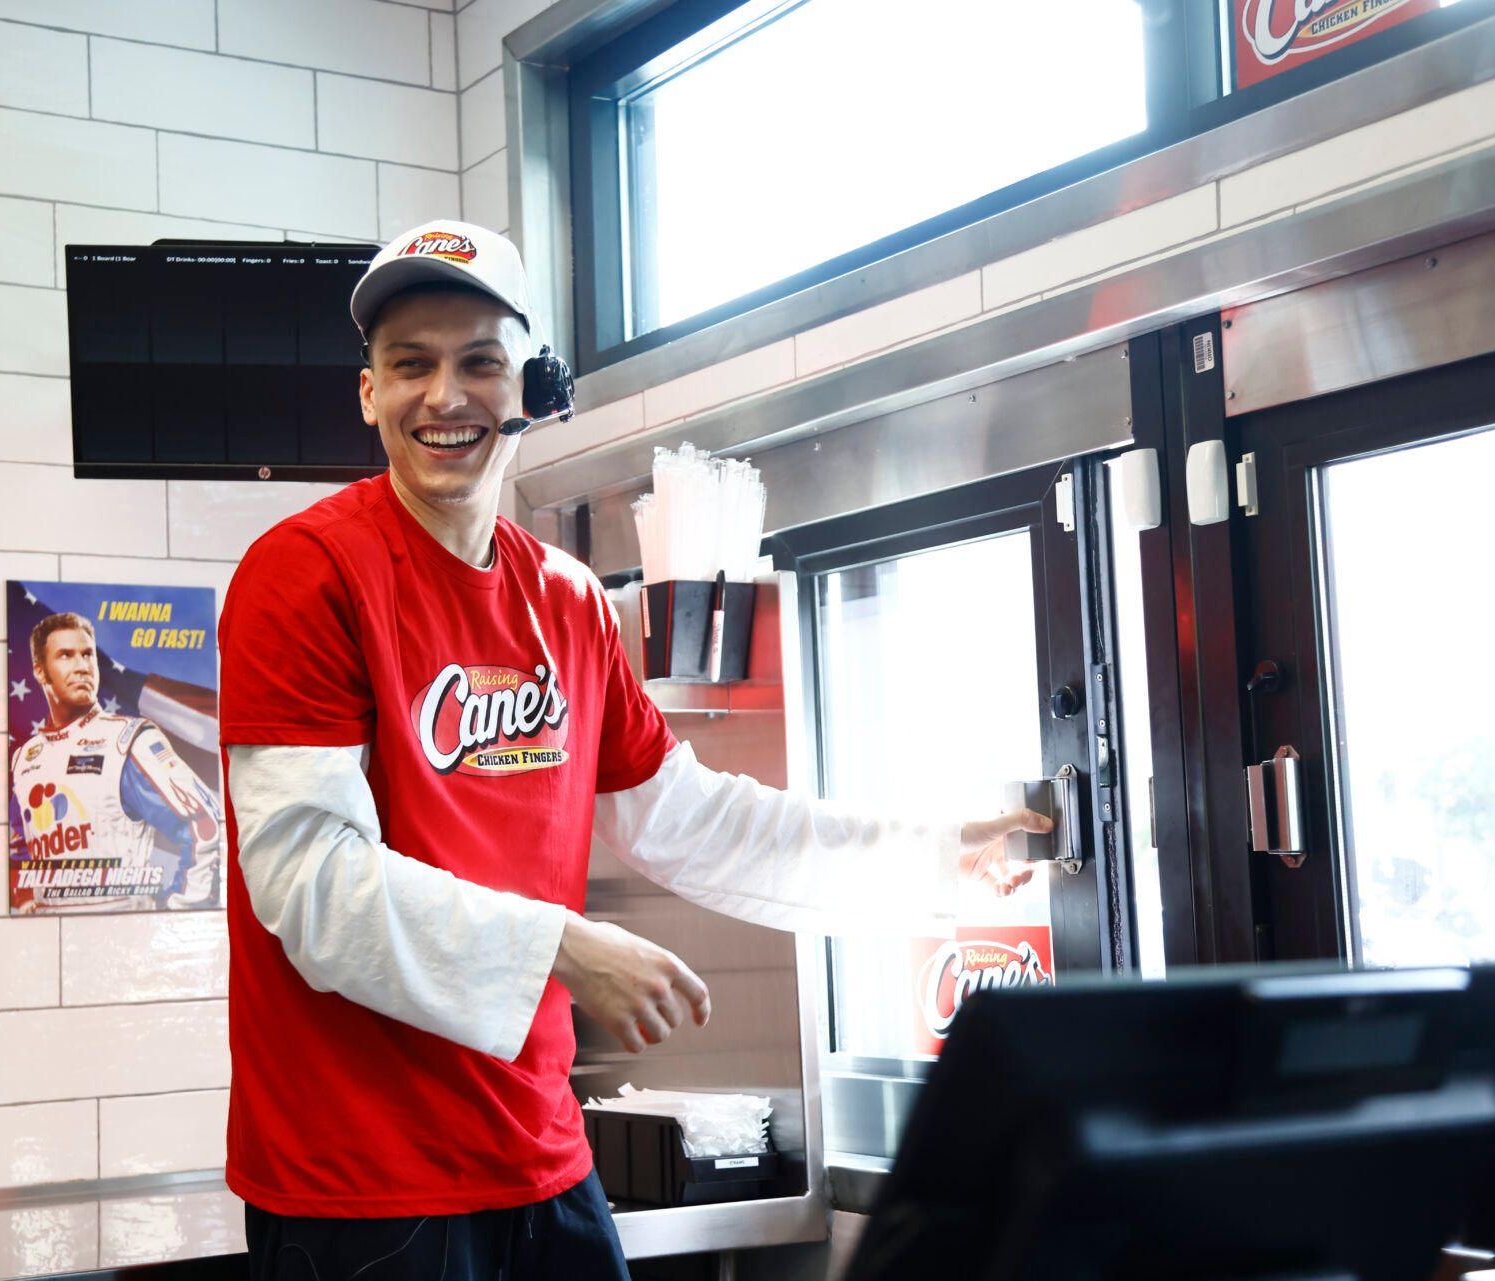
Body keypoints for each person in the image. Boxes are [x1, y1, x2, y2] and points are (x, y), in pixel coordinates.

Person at [217, 220, 1051, 1279]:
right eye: (409, 365)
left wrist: (937, 852)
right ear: (368, 394)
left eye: (480, 362)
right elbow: (310, 882)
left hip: (541, 1156)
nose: (445, 397)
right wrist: (561, 947)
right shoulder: (307, 575)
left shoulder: (565, 601)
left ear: (534, 387)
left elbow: (691, 818)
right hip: (362, 1184)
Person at [9, 611, 221, 912]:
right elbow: (19, 847)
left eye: (88, 655)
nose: (82, 666)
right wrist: (25, 899)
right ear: (40, 671)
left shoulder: (128, 739)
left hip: (122, 931)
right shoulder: (26, 758)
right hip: (50, 939)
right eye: (66, 656)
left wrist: (180, 908)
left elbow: (205, 826)